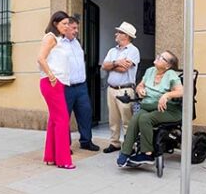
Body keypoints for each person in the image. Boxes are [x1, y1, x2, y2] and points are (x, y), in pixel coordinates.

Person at [116, 51, 183, 167]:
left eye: (162, 58)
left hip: (167, 110)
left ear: (167, 66)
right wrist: (140, 89)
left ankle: (147, 154)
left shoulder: (170, 74)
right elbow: (140, 85)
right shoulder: (150, 71)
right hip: (147, 106)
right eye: (159, 55)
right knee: (135, 119)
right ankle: (126, 151)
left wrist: (166, 95)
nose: (158, 57)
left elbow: (181, 92)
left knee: (145, 119)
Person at [37, 11, 75, 169]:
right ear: (55, 24)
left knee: (54, 120)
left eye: (68, 24)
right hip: (52, 82)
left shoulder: (58, 39)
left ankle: (51, 157)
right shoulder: (50, 38)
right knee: (61, 120)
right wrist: (52, 76)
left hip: (56, 82)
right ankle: (64, 160)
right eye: (64, 24)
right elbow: (40, 58)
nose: (67, 26)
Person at [101, 22, 140, 153]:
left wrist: (111, 65)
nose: (116, 34)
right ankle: (115, 143)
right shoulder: (112, 51)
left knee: (127, 120)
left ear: (126, 36)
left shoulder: (133, 51)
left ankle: (130, 145)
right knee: (113, 119)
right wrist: (117, 62)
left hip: (125, 90)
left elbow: (124, 69)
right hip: (111, 88)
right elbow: (104, 66)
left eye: (119, 32)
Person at [62, 17, 99, 152]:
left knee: (85, 113)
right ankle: (65, 145)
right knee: (64, 117)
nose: (77, 31)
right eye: (74, 28)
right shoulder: (58, 43)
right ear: (65, 28)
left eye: (77, 28)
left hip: (81, 86)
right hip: (66, 87)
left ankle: (86, 141)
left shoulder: (77, 43)